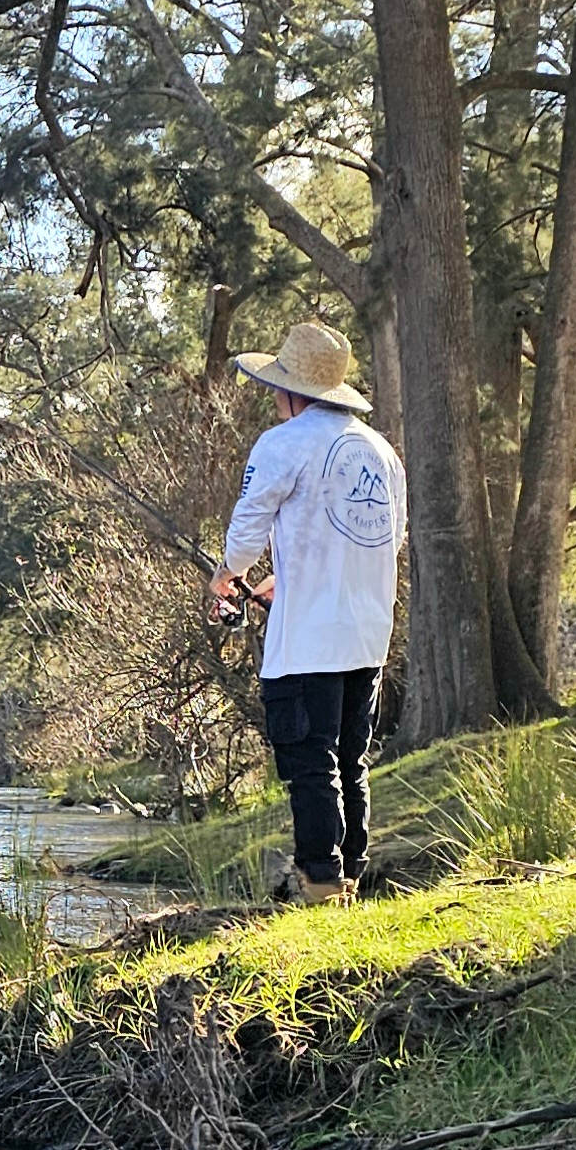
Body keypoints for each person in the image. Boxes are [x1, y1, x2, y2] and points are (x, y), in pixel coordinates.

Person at [208, 320, 405, 906]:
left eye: (278, 386)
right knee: (351, 758)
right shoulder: (380, 451)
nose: (273, 396)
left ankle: (319, 883)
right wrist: (281, 581)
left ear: (296, 391)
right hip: (368, 634)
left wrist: (227, 578)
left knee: (309, 760)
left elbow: (247, 529)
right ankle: (348, 878)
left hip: (309, 640)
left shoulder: (283, 443)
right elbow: (386, 539)